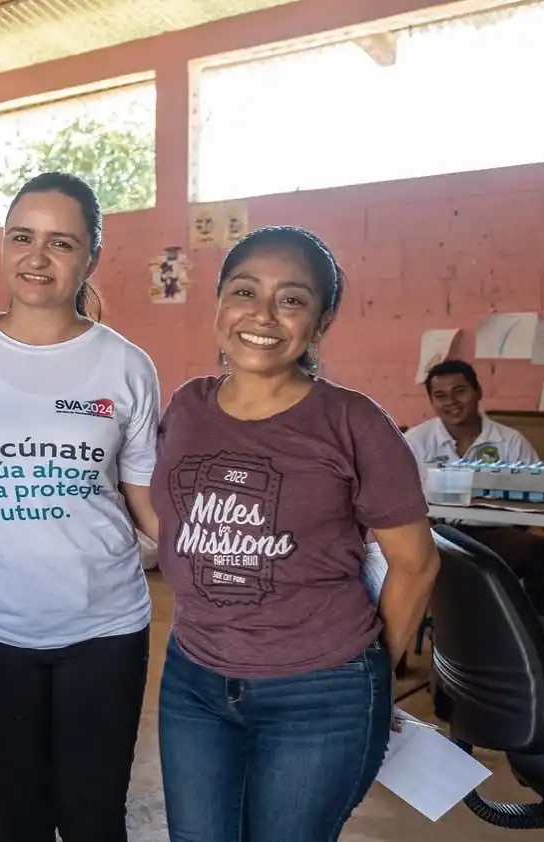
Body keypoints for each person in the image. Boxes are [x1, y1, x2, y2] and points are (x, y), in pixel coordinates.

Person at [151, 225, 440, 842]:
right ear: (219, 302)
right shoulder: (187, 407)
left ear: (321, 320)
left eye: (292, 299)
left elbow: (415, 564)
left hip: (321, 691)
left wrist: (366, 676)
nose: (263, 315)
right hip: (194, 682)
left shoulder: (353, 422)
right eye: (245, 291)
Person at [0, 172, 159, 842]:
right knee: (19, 814)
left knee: (92, 817)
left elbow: (146, 505)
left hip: (106, 626)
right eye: (22, 236)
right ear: (2, 244)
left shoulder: (125, 366)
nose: (37, 257)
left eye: (61, 242)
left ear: (92, 257)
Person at [406, 359, 544, 614]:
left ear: (478, 392)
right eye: (440, 396)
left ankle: (536, 632)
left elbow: (541, 496)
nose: (451, 401)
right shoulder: (416, 442)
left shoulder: (508, 441)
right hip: (438, 534)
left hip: (498, 533)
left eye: (459, 391)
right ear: (432, 402)